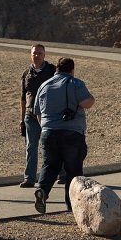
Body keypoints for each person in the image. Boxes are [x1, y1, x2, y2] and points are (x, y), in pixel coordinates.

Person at [32, 57, 94, 214]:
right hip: (71, 133)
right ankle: (71, 205)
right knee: (72, 170)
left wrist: (47, 128)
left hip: (48, 132)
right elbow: (88, 102)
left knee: (50, 165)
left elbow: (38, 113)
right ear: (72, 71)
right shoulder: (75, 83)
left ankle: (43, 191)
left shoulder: (44, 85)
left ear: (56, 70)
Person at [19, 45, 57, 188]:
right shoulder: (26, 74)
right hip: (30, 115)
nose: (37, 56)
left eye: (39, 53)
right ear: (31, 55)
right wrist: (21, 119)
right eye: (34, 53)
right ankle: (29, 178)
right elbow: (23, 98)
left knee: (52, 145)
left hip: (49, 114)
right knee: (31, 146)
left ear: (44, 55)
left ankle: (62, 174)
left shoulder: (52, 71)